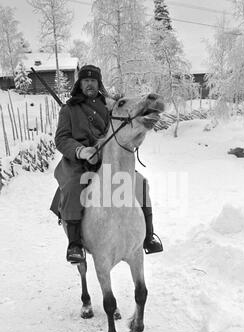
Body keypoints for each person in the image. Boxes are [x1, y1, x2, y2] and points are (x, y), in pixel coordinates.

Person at [50, 64, 163, 264]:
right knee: (74, 186)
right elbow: (62, 139)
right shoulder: (69, 109)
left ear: (99, 83)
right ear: (80, 83)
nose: (90, 84)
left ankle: (148, 237)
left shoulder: (108, 106)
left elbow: (122, 130)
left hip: (109, 160)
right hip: (79, 164)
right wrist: (82, 151)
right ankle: (75, 244)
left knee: (140, 183)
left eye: (93, 80)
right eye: (86, 81)